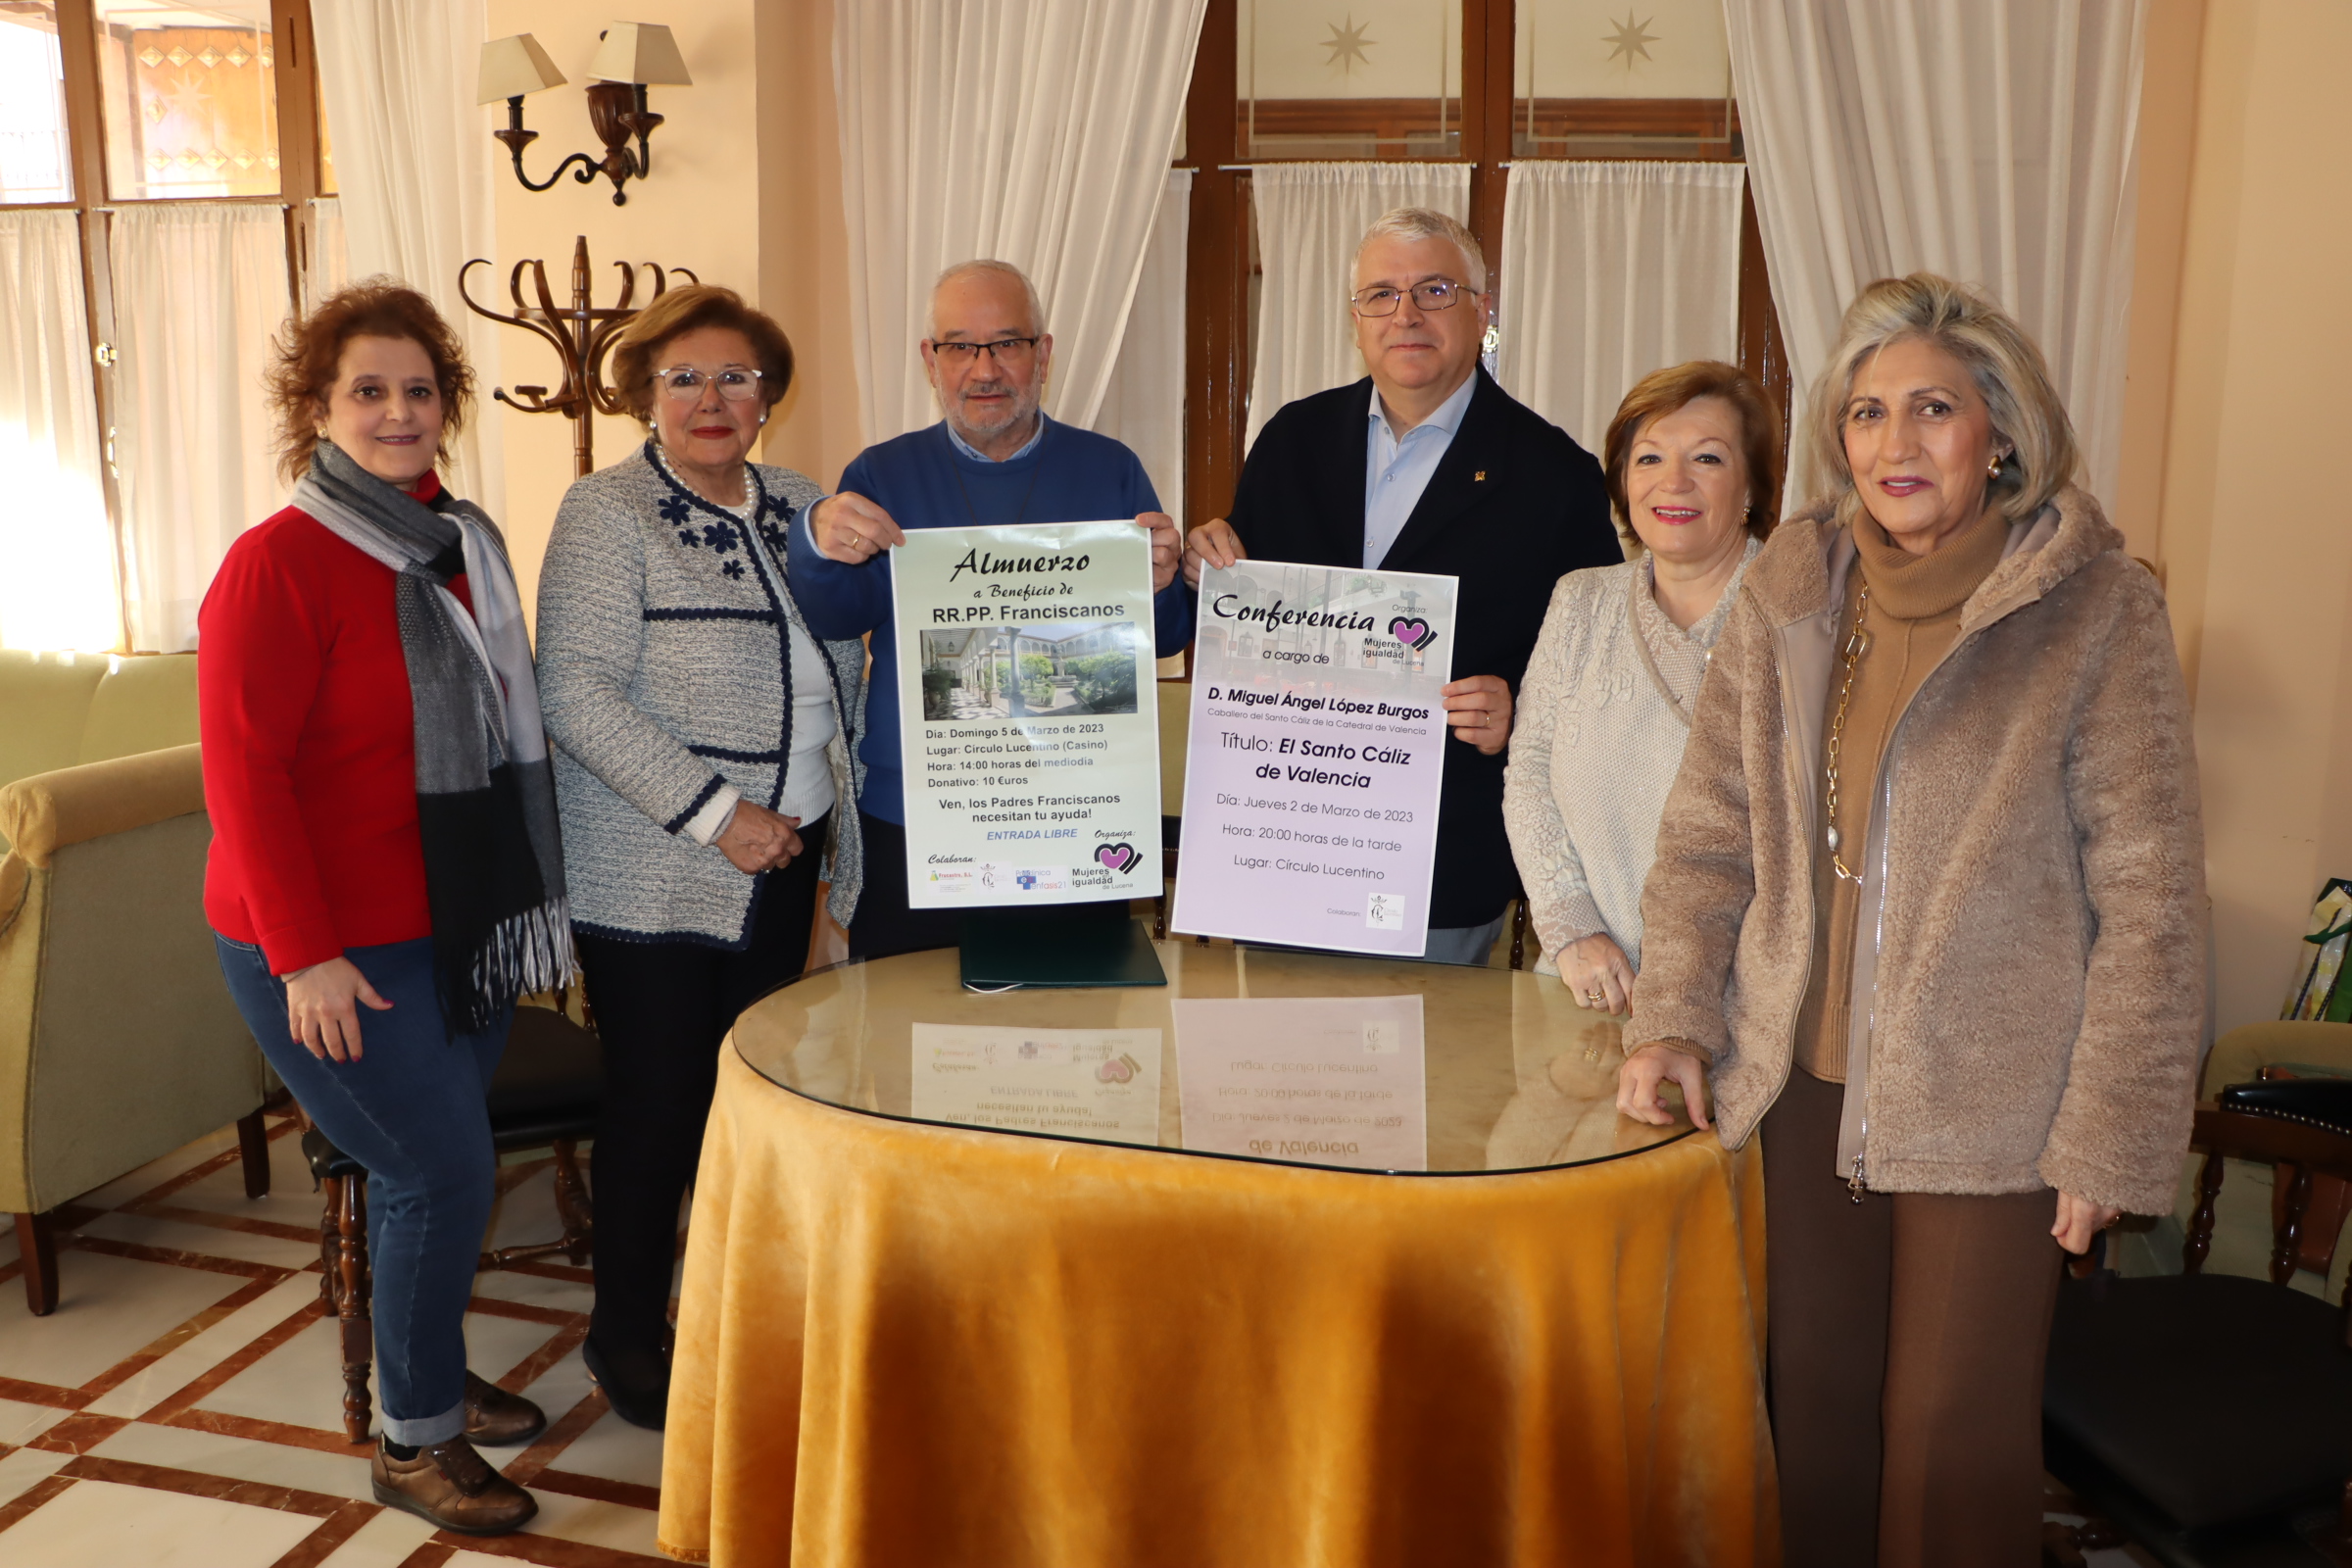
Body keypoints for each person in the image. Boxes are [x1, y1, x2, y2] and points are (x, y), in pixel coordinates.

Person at [1617, 274, 2205, 1566]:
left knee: (1947, 1444)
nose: (1894, 443)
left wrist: (2111, 1138)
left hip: (1994, 1105)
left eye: (1930, 408)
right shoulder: (1790, 593)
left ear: (1998, 428)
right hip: (1803, 1090)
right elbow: (1708, 833)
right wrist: (1671, 1015)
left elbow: (2152, 904)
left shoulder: (2097, 610)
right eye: (1865, 413)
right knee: (1814, 1423)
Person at [203, 281, 568, 1534]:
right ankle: (413, 1442)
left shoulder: (458, 544)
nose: (399, 412)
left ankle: (422, 1358)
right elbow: (243, 779)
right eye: (369, 390)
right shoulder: (276, 563)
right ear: (315, 407)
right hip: (317, 942)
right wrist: (304, 956)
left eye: (420, 390)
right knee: (437, 1171)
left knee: (442, 1173)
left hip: (444, 923)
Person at [535, 285, 865, 1427]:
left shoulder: (808, 503)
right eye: (686, 378)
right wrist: (719, 813)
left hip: (789, 861)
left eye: (738, 378)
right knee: (660, 1106)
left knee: (753, 1110)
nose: (713, 400)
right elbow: (571, 690)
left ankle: (730, 1313)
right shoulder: (605, 510)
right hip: (659, 871)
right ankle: (624, 1335)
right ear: (646, 394)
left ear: (770, 395)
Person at [1184, 208, 1620, 963]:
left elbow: (1602, 666)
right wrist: (1206, 562)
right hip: (1280, 849)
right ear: (1356, 319)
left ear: (1483, 309)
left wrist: (1519, 705)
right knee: (1269, 1075)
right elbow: (1246, 613)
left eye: (1434, 290)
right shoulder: (1291, 441)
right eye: (1380, 294)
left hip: (1438, 867)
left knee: (1430, 1080)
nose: (1406, 313)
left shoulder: (1556, 475)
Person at [786, 259, 1188, 957]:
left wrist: (1163, 581)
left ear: (1044, 354)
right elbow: (834, 619)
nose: (985, 369)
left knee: (1076, 1044)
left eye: (1007, 343)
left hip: (1074, 817)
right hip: (919, 818)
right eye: (960, 347)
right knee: (910, 1038)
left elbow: (1163, 638)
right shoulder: (883, 473)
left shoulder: (1110, 466)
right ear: (929, 360)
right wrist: (818, 542)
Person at [1504, 361, 1781, 1009]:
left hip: (1740, 1003)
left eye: (1707, 459)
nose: (1673, 482)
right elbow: (1530, 775)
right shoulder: (1580, 601)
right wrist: (1573, 931)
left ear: (1752, 486)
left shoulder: (1799, 614)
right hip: (1585, 984)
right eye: (1649, 458)